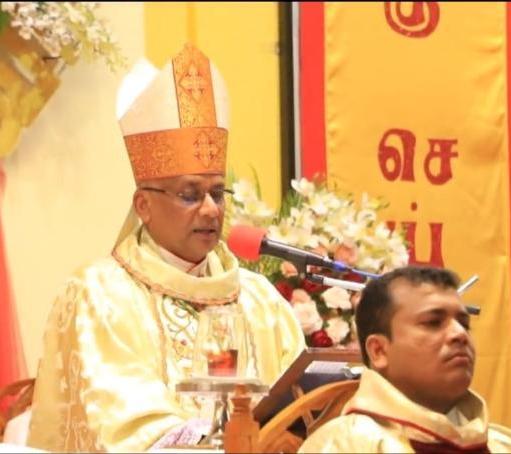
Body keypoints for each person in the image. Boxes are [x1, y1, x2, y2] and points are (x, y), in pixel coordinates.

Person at [26, 43, 305, 453]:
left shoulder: (259, 298)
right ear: (144, 205)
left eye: (217, 193)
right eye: (190, 195)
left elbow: (303, 406)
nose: (211, 209)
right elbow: (121, 423)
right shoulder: (100, 293)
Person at [299, 266, 511, 453]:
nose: (460, 334)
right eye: (433, 322)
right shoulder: (341, 446)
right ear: (379, 351)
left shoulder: (509, 446)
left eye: (464, 324)